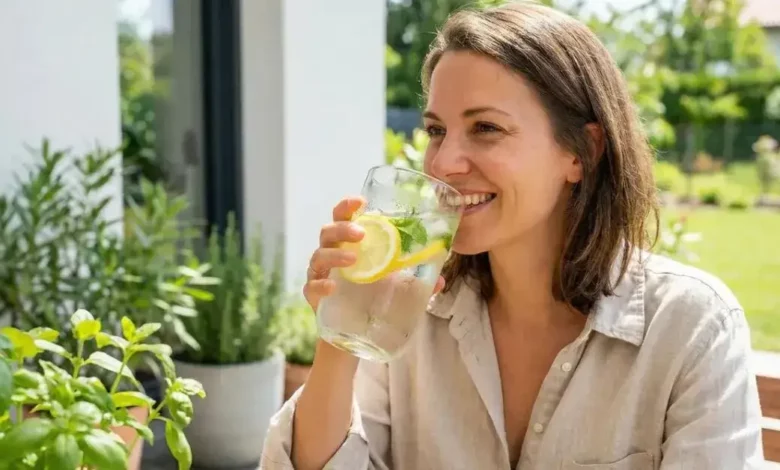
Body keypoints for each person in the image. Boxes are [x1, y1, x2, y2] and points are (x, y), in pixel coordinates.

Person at [261, 2, 764, 469]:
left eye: (485, 128)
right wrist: (342, 332)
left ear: (580, 153)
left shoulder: (691, 328)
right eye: (436, 130)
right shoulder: (407, 314)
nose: (442, 163)